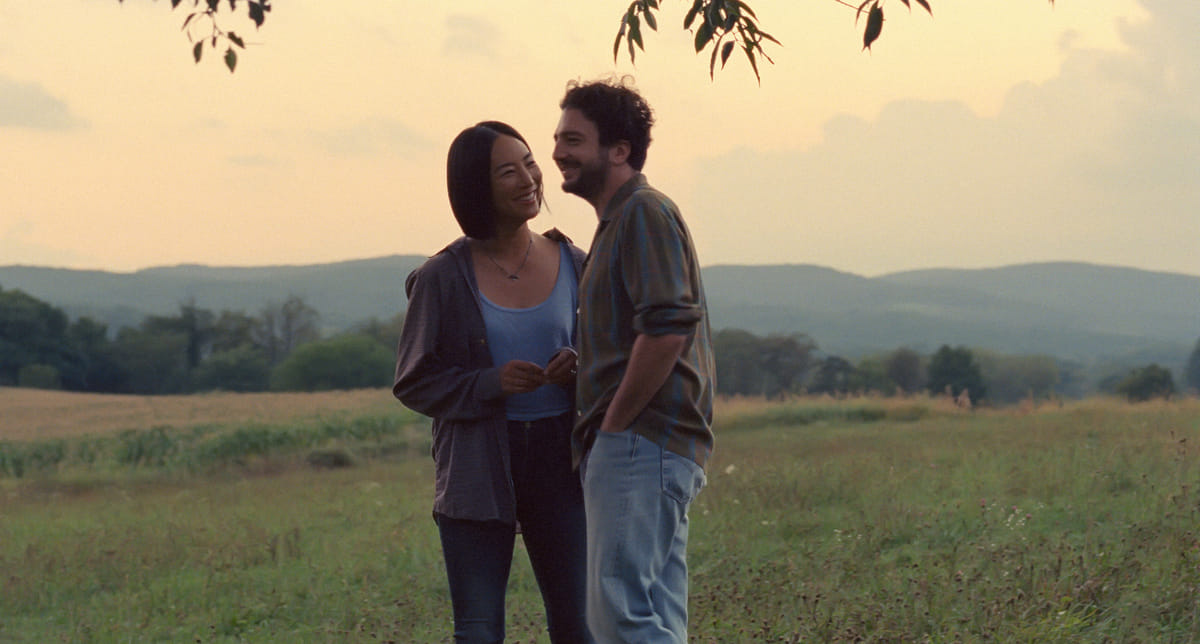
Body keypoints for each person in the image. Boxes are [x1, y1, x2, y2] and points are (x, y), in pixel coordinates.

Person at [394, 120, 590, 643]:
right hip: (476, 467)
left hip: (562, 462)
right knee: (478, 630)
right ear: (476, 187)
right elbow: (413, 381)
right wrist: (490, 383)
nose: (529, 179)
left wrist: (578, 367)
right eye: (508, 171)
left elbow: (610, 359)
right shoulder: (441, 276)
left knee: (579, 625)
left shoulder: (575, 263)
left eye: (530, 163)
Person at [552, 77, 715, 643]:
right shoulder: (619, 221)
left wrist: (614, 424)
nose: (558, 153)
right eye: (558, 139)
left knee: (618, 613)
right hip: (653, 443)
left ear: (619, 150)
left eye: (574, 139)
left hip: (641, 440)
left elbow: (668, 328)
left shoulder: (643, 212)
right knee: (655, 612)